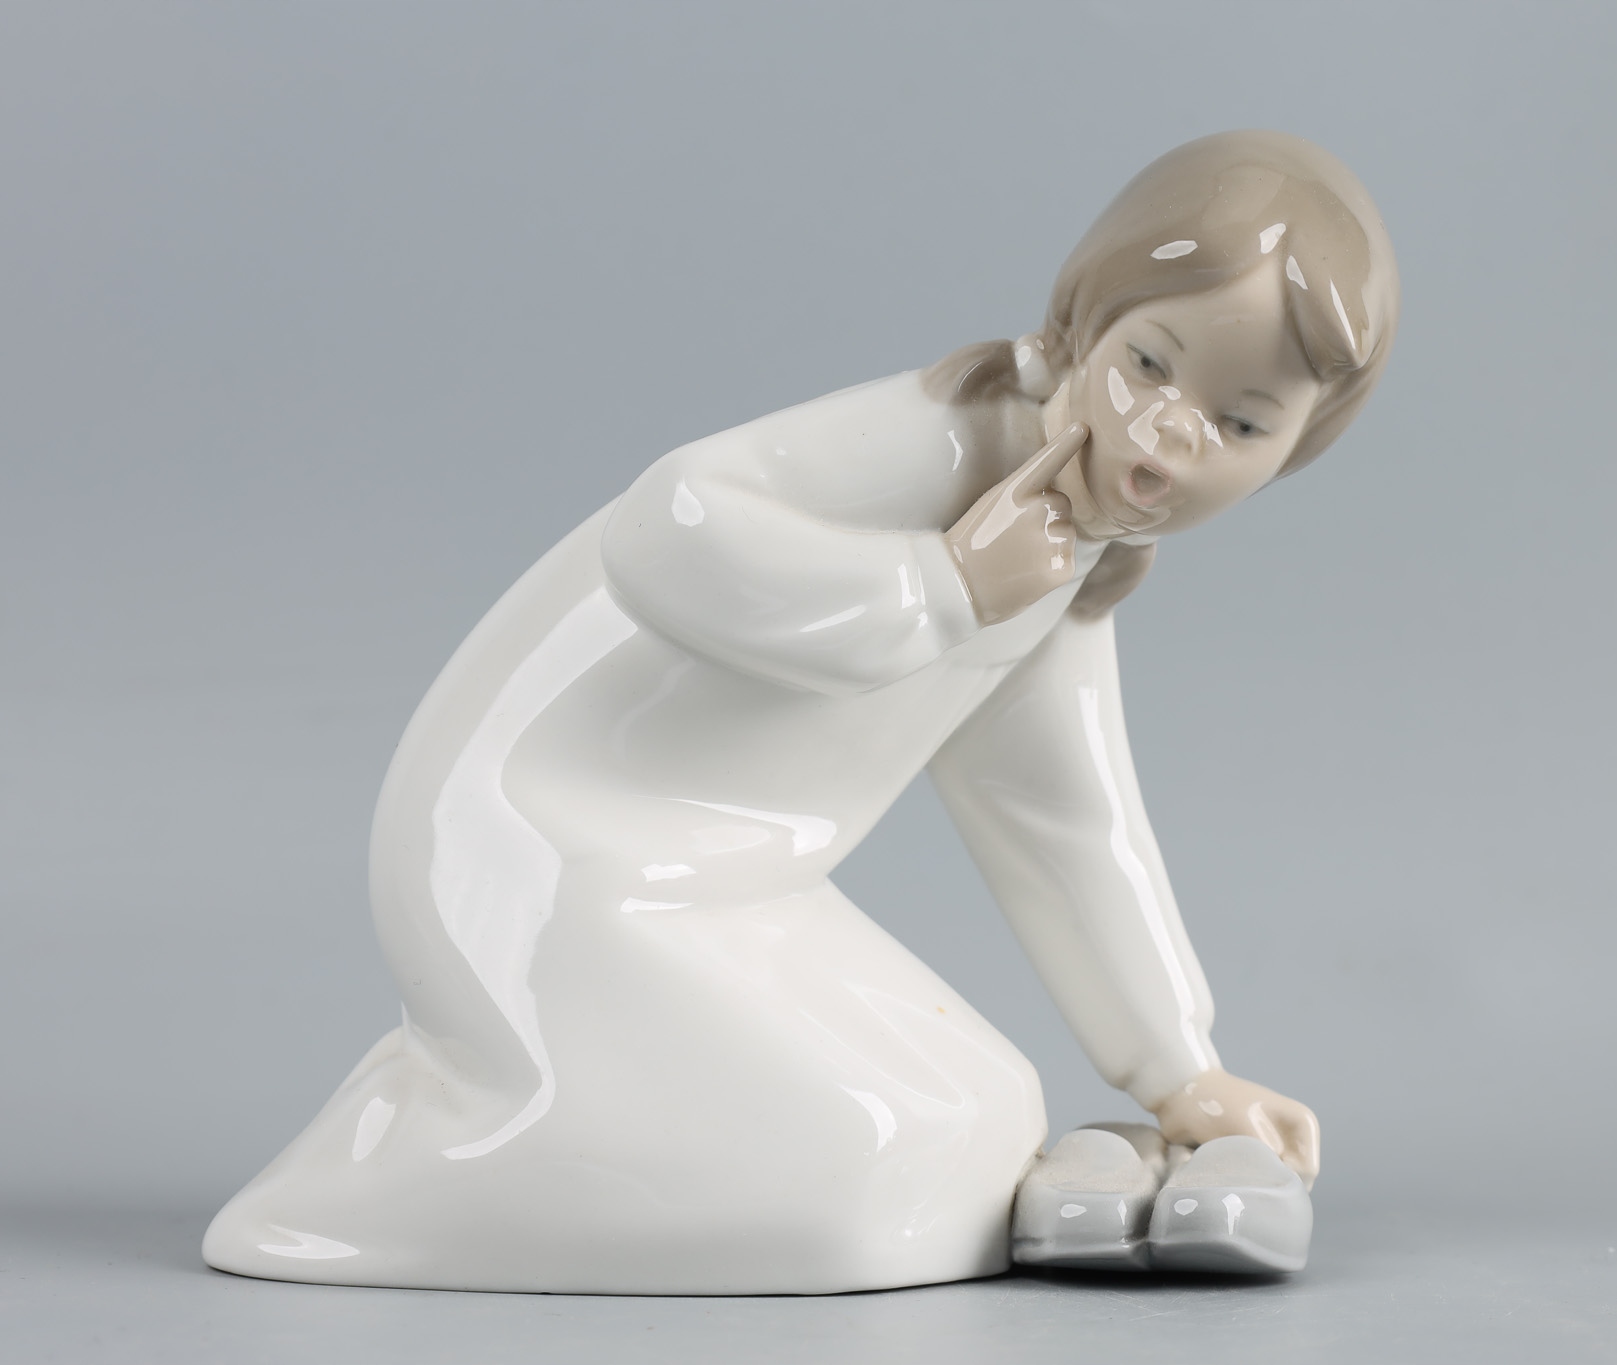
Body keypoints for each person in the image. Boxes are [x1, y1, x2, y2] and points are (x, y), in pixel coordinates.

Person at [203, 129, 1400, 1295]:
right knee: (878, 1172)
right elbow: (671, 524)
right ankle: (366, 1188)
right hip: (542, 855)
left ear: (1289, 458)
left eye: (1241, 424)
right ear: (1083, 322)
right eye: (1146, 365)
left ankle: (469, 1120)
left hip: (737, 887)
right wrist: (940, 585)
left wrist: (1177, 1070)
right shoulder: (946, 446)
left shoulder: (1062, 561)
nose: (1170, 433)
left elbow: (1062, 820)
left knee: (986, 1116)